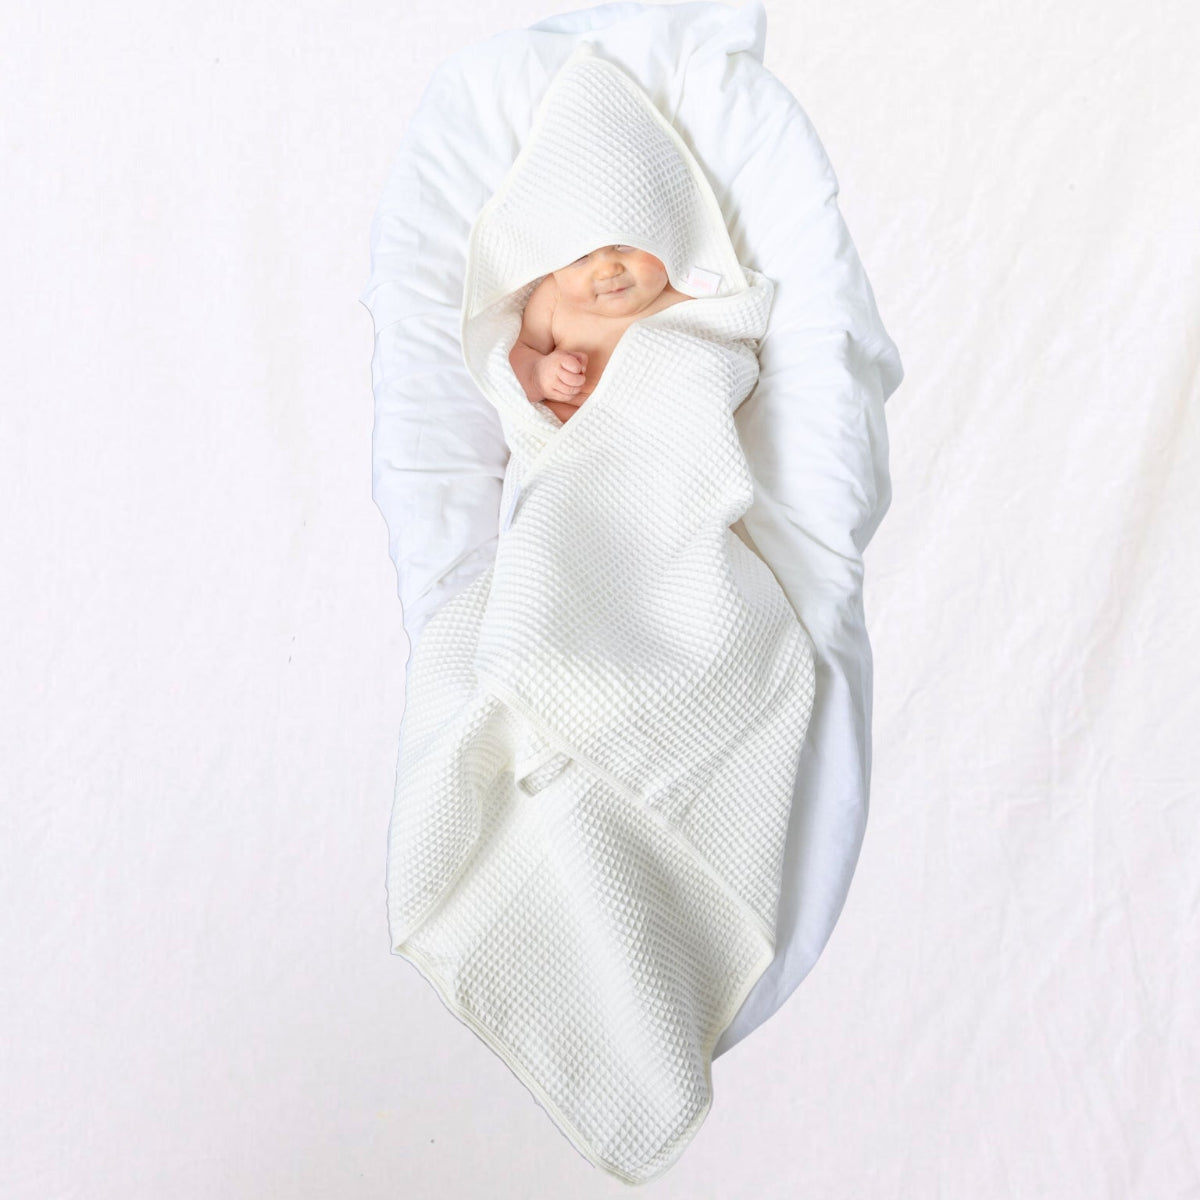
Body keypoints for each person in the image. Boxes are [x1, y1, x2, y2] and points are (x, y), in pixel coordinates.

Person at [508, 244, 690, 424]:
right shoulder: (554, 293)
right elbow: (518, 354)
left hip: (671, 419)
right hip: (582, 417)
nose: (608, 271)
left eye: (624, 245)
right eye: (580, 257)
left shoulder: (687, 283)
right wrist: (538, 375)